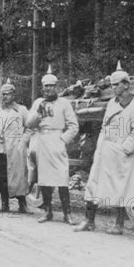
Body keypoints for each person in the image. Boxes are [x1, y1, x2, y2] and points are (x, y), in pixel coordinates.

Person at [74, 64, 134, 235]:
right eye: (112, 85)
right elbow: (105, 127)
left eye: (116, 84)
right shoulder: (112, 104)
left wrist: (124, 150)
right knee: (93, 183)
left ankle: (118, 225)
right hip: (104, 150)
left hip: (121, 152)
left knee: (120, 187)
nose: (113, 88)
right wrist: (101, 147)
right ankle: (89, 220)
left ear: (126, 85)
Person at [26, 66, 79, 225]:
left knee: (62, 179)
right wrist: (38, 113)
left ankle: (67, 214)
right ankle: (48, 211)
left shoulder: (64, 103)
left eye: (51, 86)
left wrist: (63, 140)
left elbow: (73, 126)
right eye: (45, 86)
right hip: (42, 141)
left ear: (56, 87)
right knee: (44, 179)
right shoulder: (38, 103)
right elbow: (28, 123)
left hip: (57, 141)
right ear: (42, 88)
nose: (48, 89)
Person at [0, 78, 31, 213]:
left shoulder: (21, 110)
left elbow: (30, 128)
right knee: (1, 177)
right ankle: (5, 204)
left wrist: (23, 141)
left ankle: (23, 205)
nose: (5, 96)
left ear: (14, 95)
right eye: (3, 94)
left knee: (19, 176)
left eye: (8, 94)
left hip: (16, 150)